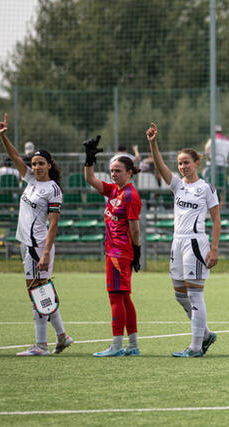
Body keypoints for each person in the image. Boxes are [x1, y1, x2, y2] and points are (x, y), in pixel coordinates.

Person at [0, 113, 74, 356]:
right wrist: (3, 136)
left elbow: (53, 225)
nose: (36, 166)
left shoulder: (53, 189)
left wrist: (46, 253)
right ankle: (61, 336)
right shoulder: (30, 179)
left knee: (37, 290)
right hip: (27, 244)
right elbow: (15, 156)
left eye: (41, 163)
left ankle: (41, 345)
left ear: (50, 165)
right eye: (34, 163)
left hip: (37, 246)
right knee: (41, 290)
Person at [147, 122, 221, 358]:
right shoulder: (177, 185)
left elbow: (217, 220)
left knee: (195, 294)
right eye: (180, 163)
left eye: (186, 162)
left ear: (196, 163)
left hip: (196, 244)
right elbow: (160, 166)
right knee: (179, 294)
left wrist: (214, 249)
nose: (182, 166)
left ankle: (196, 347)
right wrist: (153, 143)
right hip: (177, 242)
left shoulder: (205, 188)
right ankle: (206, 334)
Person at [82, 136, 143, 357]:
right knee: (124, 297)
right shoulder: (114, 191)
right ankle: (133, 345)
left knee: (116, 297)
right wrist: (89, 159)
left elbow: (135, 228)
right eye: (112, 170)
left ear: (129, 172)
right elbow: (91, 180)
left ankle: (117, 346)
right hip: (115, 251)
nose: (113, 174)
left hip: (120, 253)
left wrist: (136, 252)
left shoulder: (129, 195)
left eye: (118, 170)